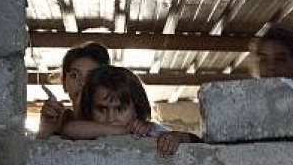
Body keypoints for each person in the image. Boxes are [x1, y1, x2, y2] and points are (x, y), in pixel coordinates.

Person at [61, 65, 199, 156]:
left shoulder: (148, 130)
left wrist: (176, 137)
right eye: (102, 109)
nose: (110, 118)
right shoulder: (89, 130)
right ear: (89, 108)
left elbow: (196, 141)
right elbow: (69, 129)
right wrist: (122, 131)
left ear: (137, 107)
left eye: (120, 109)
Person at [36, 42, 111, 139]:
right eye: (74, 75)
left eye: (90, 76)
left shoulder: (117, 120)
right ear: (64, 83)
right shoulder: (58, 122)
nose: (82, 83)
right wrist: (45, 129)